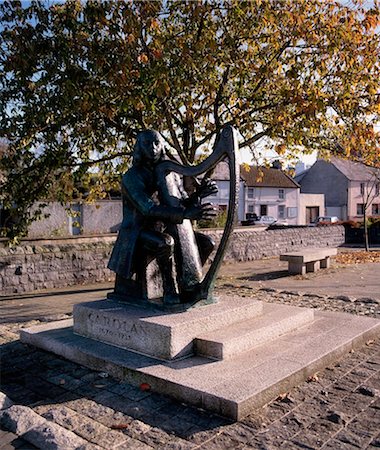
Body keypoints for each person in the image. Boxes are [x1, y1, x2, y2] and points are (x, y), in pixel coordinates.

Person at [108, 130, 217, 306]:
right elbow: (148, 208)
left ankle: (187, 285)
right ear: (138, 148)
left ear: (162, 146)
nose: (152, 148)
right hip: (137, 232)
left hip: (165, 228)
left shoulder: (170, 174)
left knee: (207, 243)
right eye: (146, 143)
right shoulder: (132, 176)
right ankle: (169, 290)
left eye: (156, 143)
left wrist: (199, 195)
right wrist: (184, 215)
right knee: (166, 243)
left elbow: (180, 202)